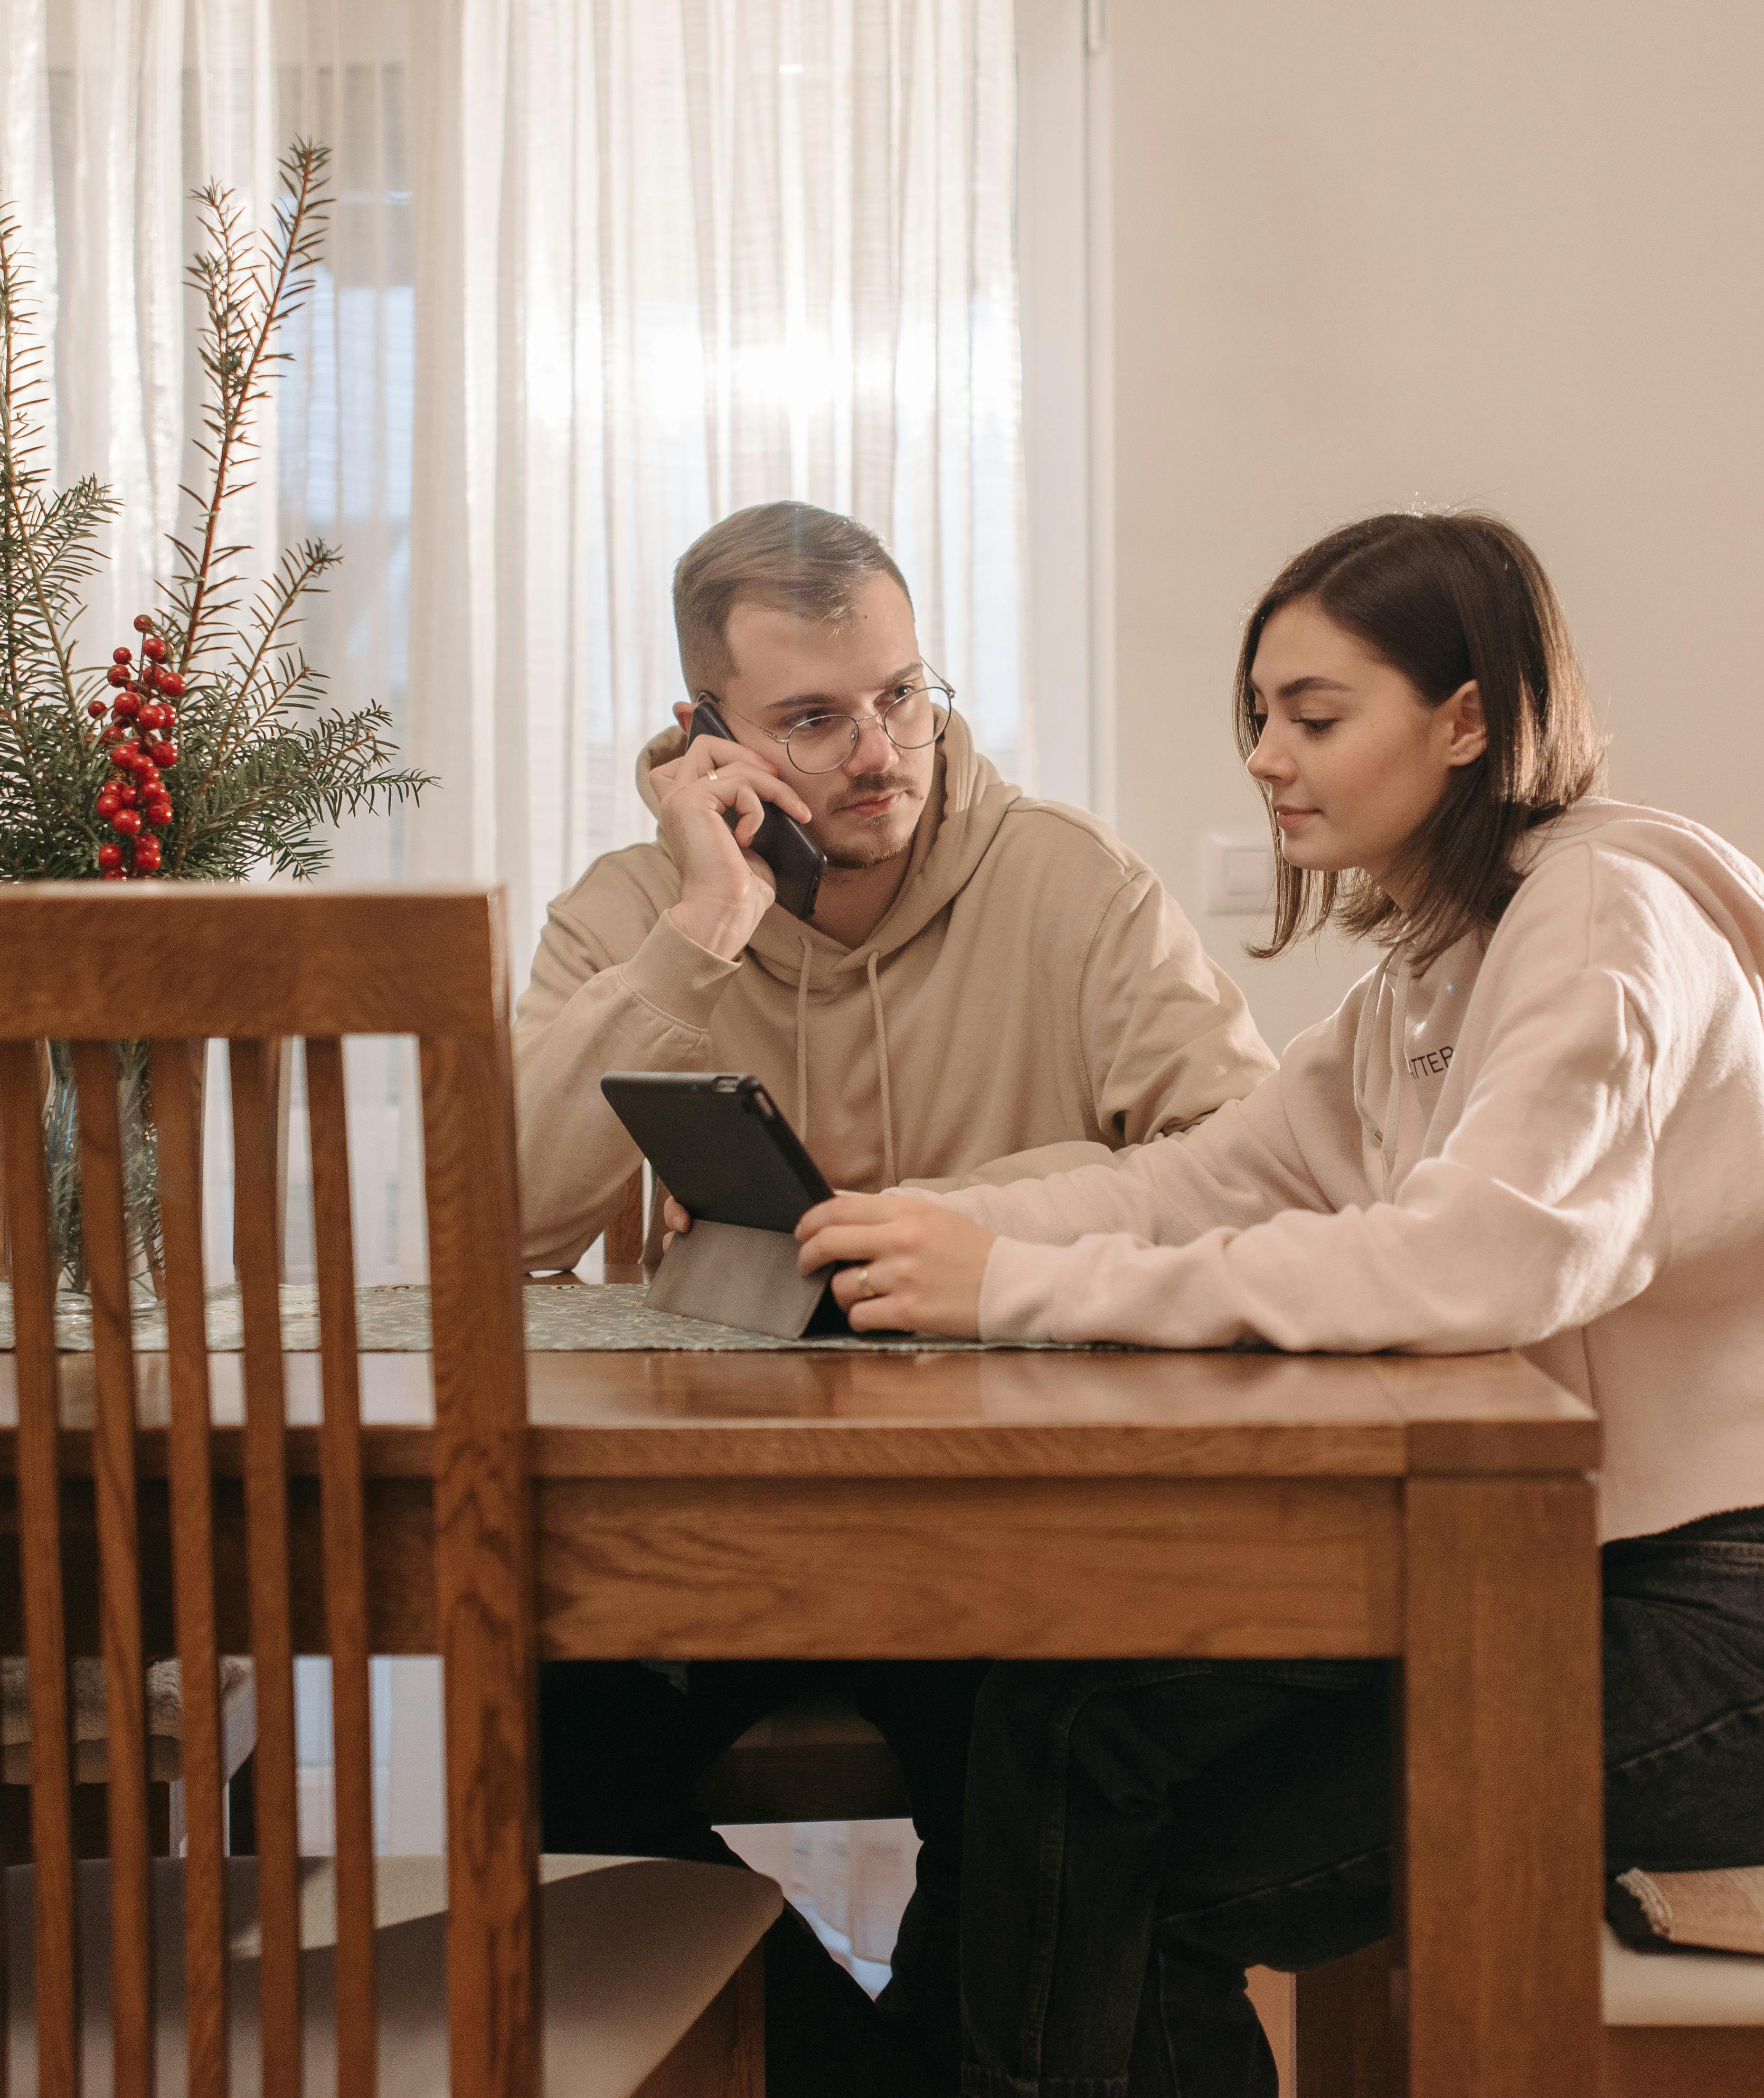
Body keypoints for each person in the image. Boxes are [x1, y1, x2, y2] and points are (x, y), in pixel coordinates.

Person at [790, 509, 1764, 2098]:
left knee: (1105, 1823)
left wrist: (1016, 1285)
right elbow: (1197, 1180)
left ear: (1467, 720)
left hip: (1748, 1645)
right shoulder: (1426, 978)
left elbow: (1476, 1265)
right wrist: (932, 1231)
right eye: (1261, 716)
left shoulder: (1597, 922)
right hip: (1541, 1584)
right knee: (1053, 1715)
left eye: (1315, 716)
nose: (1267, 754)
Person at [514, 499, 1279, 2094]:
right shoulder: (634, 915)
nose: (880, 754)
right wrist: (702, 934)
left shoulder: (1073, 887)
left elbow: (1255, 1161)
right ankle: (858, 2064)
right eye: (812, 720)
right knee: (535, 1744)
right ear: (701, 741)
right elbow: (507, 1213)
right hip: (705, 1537)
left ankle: (953, 2040)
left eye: (904, 696)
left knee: (1050, 1777)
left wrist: (956, 1219)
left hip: (1002, 1529)